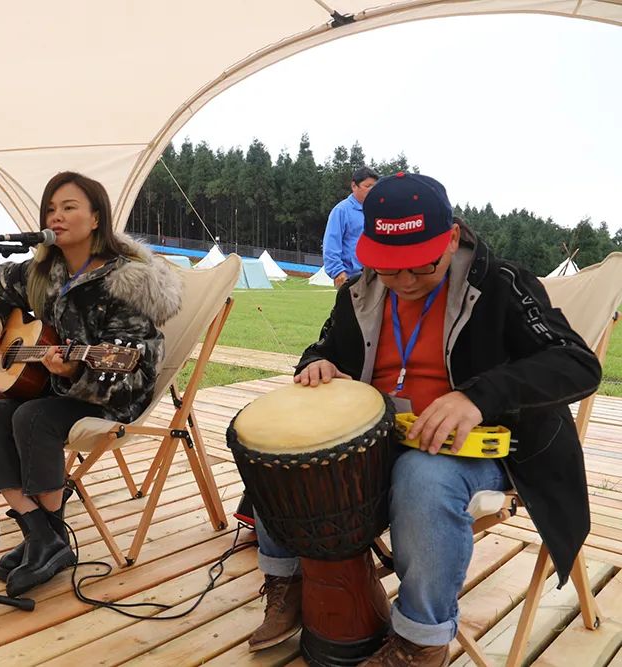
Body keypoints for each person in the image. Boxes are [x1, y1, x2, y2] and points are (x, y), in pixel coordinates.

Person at [248, 172, 601, 666]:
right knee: (285, 450)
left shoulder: (500, 284)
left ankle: (421, 640)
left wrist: (477, 397)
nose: (406, 282)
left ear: (451, 238)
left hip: (482, 446)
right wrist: (317, 364)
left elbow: (577, 363)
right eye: (391, 269)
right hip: (382, 438)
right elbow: (322, 347)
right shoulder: (360, 291)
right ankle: (286, 581)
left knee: (422, 477)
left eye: (422, 266)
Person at [0, 171, 181, 598]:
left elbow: (137, 363)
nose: (57, 217)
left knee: (32, 417)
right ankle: (42, 534)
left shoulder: (127, 281)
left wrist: (74, 372)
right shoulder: (43, 272)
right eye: (50, 209)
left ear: (97, 218)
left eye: (69, 207)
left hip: (113, 393)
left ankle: (46, 536)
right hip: (55, 389)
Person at [323, 166, 378, 288]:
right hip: (351, 278)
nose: (372, 190)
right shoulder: (341, 211)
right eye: (368, 186)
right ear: (354, 186)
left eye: (374, 186)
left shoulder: (377, 211)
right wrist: (338, 272)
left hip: (376, 277)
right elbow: (331, 245)